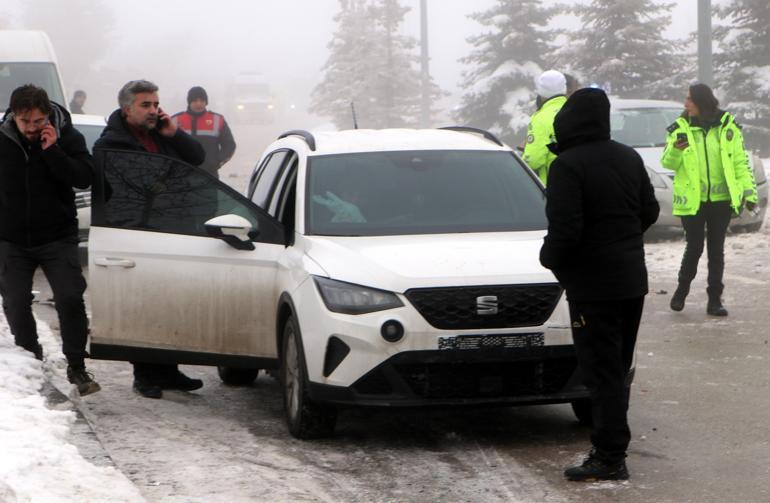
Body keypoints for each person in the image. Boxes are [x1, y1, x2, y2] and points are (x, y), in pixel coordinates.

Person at [539, 87, 660, 481]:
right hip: (630, 281)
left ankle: (609, 456)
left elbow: (566, 231)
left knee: (601, 371)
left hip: (593, 287)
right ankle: (611, 448)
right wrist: (621, 243)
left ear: (567, 121)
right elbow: (650, 210)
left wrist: (550, 259)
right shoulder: (627, 156)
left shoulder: (568, 166)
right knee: (617, 367)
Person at [94, 80, 206, 399]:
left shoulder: (162, 134)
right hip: (135, 233)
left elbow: (197, 157)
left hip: (169, 229)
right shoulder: (111, 143)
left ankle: (169, 370)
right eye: (146, 105)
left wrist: (175, 134)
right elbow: (135, 186)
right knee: (142, 305)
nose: (154, 111)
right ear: (126, 108)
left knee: (170, 302)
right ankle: (144, 374)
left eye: (156, 104)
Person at [0, 84, 100, 395]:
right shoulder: (2, 139)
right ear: (13, 117)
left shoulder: (68, 136)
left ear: (48, 116)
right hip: (11, 238)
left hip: (57, 235)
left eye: (39, 121)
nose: (32, 128)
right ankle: (30, 355)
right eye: (25, 122)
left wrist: (53, 151)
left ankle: (77, 365)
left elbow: (84, 176)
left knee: (70, 298)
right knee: (15, 303)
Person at [663, 83, 758, 316]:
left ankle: (714, 299)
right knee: (694, 247)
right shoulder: (680, 128)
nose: (686, 104)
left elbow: (739, 163)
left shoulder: (728, 127)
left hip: (721, 201)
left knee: (717, 251)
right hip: (693, 202)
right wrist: (676, 149)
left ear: (702, 101)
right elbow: (668, 162)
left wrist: (749, 193)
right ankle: (681, 291)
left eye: (690, 100)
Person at [172, 86, 236, 178]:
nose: (199, 104)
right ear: (189, 102)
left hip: (209, 176)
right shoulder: (175, 120)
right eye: (195, 101)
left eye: (202, 101)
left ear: (206, 102)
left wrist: (216, 162)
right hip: (182, 176)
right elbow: (166, 146)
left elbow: (229, 145)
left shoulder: (217, 120)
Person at [522, 70, 567, 185]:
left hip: (554, 187)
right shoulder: (576, 111)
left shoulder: (541, 118)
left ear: (541, 92)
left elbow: (533, 160)